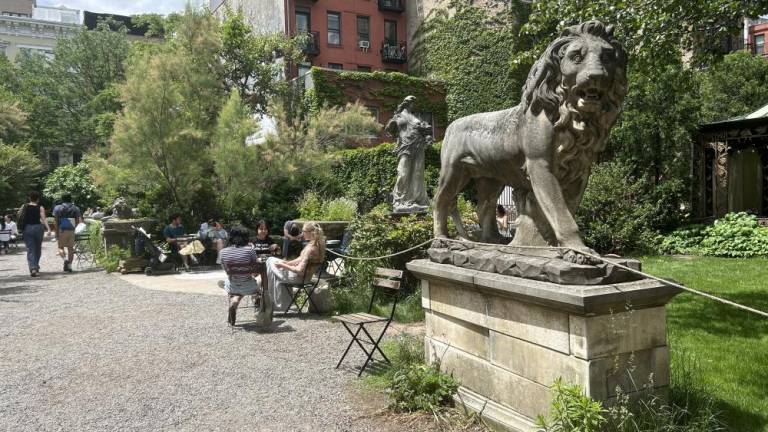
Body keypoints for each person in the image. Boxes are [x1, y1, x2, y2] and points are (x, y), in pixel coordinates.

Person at [384, 95, 434, 214]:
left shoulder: (416, 117)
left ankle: (417, 200)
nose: (412, 104)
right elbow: (389, 130)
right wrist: (391, 124)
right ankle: (399, 200)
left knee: (417, 173)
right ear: (405, 103)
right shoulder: (398, 116)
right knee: (403, 173)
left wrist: (427, 133)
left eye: (413, 102)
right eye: (411, 102)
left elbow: (427, 132)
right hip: (405, 146)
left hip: (419, 146)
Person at [267, 221, 325, 312]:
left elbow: (299, 270)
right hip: (305, 277)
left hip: (299, 278)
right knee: (272, 261)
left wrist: (282, 265)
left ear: (311, 233)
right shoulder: (316, 245)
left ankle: (272, 302)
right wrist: (286, 263)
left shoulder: (310, 249)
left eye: (304, 232)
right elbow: (299, 259)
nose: (302, 234)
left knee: (270, 261)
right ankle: (278, 303)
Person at [217, 225, 261, 326]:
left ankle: (235, 300)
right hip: (250, 287)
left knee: (231, 283)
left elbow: (226, 270)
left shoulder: (222, 252)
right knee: (259, 279)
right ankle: (258, 303)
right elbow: (256, 268)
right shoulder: (249, 250)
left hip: (233, 287)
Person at [16, 191, 52, 276]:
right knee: (38, 248)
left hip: (27, 228)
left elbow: (19, 216)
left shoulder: (24, 206)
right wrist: (49, 229)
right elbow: (43, 218)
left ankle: (33, 268)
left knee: (30, 248)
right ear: (38, 199)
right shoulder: (40, 207)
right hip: (38, 228)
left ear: (29, 198)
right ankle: (35, 265)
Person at [52, 193, 83, 273]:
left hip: (62, 229)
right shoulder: (76, 208)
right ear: (70, 199)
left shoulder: (58, 208)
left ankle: (65, 260)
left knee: (60, 247)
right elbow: (78, 220)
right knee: (70, 249)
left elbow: (55, 221)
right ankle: (69, 266)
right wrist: (74, 227)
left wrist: (56, 232)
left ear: (62, 199)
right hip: (71, 230)